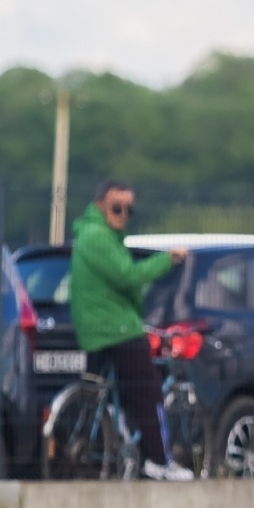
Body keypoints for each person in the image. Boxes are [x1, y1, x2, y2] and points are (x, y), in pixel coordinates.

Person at [70, 180, 193, 481]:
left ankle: (125, 446)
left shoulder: (100, 235)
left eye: (129, 209)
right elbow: (128, 276)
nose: (123, 214)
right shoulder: (98, 237)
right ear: (100, 206)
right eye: (117, 207)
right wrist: (167, 259)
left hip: (107, 326)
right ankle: (158, 460)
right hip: (115, 330)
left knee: (123, 394)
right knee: (149, 392)